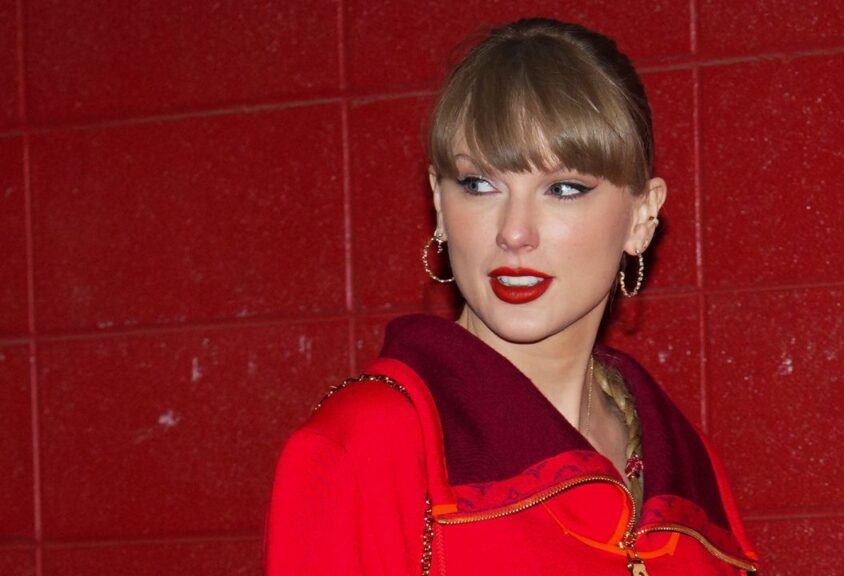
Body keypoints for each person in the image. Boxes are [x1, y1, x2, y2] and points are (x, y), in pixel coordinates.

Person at [265, 18, 759, 575]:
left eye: (564, 188)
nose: (514, 231)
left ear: (641, 218)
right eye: (479, 185)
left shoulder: (689, 468)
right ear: (439, 203)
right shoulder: (368, 443)